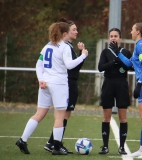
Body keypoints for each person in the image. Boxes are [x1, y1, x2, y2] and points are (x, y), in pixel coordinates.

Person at [15, 22, 88, 155]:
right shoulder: (64, 47)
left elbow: (38, 65)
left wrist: (41, 80)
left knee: (39, 114)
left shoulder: (47, 45)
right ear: (64, 34)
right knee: (59, 116)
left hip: (46, 84)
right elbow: (70, 65)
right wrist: (83, 55)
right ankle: (56, 147)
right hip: (59, 84)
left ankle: (22, 140)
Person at [109, 23, 142, 159]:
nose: (130, 32)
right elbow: (129, 64)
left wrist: (139, 83)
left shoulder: (141, 45)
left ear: (137, 32)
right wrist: (118, 52)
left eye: (132, 29)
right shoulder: (138, 46)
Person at [43, 18, 85, 154]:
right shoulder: (65, 47)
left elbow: (75, 67)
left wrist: (79, 54)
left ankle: (53, 143)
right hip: (68, 83)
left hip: (67, 82)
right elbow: (72, 68)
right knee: (64, 115)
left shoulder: (67, 46)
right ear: (66, 32)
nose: (76, 32)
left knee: (64, 115)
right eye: (74, 29)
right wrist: (83, 55)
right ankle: (54, 143)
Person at [98, 28, 132, 155]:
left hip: (121, 84)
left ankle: (122, 147)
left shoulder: (126, 52)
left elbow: (130, 66)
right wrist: (113, 62)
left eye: (116, 36)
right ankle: (105, 146)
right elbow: (100, 67)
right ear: (108, 38)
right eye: (111, 36)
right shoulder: (105, 52)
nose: (113, 38)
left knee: (123, 118)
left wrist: (120, 57)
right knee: (106, 117)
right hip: (108, 84)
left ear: (120, 38)